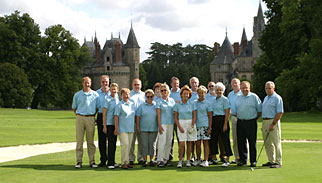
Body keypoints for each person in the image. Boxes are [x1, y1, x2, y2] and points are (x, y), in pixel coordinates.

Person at [72, 76, 100, 168]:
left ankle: (92, 161)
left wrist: (91, 115)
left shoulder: (95, 95)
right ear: (82, 83)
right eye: (85, 83)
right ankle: (79, 161)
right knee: (79, 140)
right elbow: (74, 108)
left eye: (88, 83)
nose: (87, 84)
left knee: (90, 141)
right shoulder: (77, 95)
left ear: (90, 83)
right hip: (80, 117)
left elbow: (97, 107)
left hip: (90, 118)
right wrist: (80, 115)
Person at [235, 81, 262, 167]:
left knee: (252, 142)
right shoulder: (238, 97)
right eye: (243, 88)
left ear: (249, 88)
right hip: (240, 122)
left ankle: (253, 161)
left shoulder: (254, 97)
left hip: (251, 122)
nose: (245, 89)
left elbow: (259, 110)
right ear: (241, 89)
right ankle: (243, 160)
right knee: (241, 142)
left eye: (246, 87)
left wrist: (254, 119)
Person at [209, 82, 233, 167]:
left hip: (223, 119)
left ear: (223, 91)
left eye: (221, 90)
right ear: (215, 91)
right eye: (217, 90)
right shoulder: (213, 100)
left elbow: (227, 112)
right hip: (215, 120)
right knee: (213, 139)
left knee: (225, 140)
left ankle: (227, 159)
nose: (219, 91)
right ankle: (214, 158)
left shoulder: (225, 99)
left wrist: (225, 124)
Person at [174, 85, 197, 168]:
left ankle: (188, 160)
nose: (185, 95)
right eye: (184, 93)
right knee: (182, 143)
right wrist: (179, 127)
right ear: (181, 94)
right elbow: (176, 118)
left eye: (187, 94)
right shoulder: (177, 105)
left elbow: (194, 116)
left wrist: (192, 125)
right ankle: (180, 160)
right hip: (181, 123)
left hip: (190, 123)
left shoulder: (192, 104)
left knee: (190, 143)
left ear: (189, 95)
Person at [261, 81, 283, 168]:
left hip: (273, 121)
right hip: (265, 121)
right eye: (266, 88)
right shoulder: (266, 98)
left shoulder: (277, 98)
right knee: (268, 143)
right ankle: (271, 160)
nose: (268, 90)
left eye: (269, 88)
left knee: (276, 142)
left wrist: (273, 123)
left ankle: (278, 162)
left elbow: (280, 112)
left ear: (273, 88)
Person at [114, 88, 136, 169]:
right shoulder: (119, 105)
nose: (126, 95)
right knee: (125, 145)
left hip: (131, 128)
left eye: (128, 94)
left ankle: (127, 161)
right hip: (122, 128)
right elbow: (116, 117)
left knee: (129, 145)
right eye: (125, 94)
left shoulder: (132, 104)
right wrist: (116, 128)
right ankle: (123, 162)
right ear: (121, 95)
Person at [136, 89, 158, 167]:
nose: (149, 98)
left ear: (153, 97)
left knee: (152, 145)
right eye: (148, 96)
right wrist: (138, 127)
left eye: (151, 96)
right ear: (145, 97)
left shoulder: (156, 105)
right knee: (144, 145)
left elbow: (158, 116)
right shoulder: (141, 106)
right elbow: (138, 117)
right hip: (143, 128)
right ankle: (145, 160)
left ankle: (151, 160)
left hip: (154, 128)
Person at [156, 83, 176, 167]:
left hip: (170, 123)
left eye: (165, 90)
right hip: (162, 124)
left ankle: (166, 159)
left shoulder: (172, 100)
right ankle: (160, 160)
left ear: (168, 91)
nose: (164, 92)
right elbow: (158, 115)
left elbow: (174, 112)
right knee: (162, 142)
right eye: (162, 90)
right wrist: (159, 125)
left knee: (169, 142)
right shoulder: (158, 101)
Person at [193, 85, 212, 167]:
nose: (201, 94)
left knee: (205, 143)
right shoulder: (194, 103)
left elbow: (210, 116)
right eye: (199, 93)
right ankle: (198, 159)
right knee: (197, 143)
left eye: (203, 93)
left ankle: (206, 160)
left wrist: (210, 127)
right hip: (196, 125)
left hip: (205, 125)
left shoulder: (208, 103)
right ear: (197, 93)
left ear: (205, 93)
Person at [102, 83, 120, 169]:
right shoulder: (107, 100)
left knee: (114, 144)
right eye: (112, 89)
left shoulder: (118, 99)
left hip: (115, 124)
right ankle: (110, 163)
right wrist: (104, 126)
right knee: (111, 143)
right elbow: (104, 114)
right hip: (109, 124)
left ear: (117, 90)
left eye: (115, 89)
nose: (113, 90)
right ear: (110, 90)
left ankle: (112, 161)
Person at [129, 78, 145, 165]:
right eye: (135, 84)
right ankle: (131, 158)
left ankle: (141, 158)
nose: (136, 86)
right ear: (132, 85)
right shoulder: (129, 94)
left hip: (142, 120)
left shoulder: (144, 95)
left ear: (141, 85)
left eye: (138, 84)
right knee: (131, 140)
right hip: (132, 119)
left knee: (141, 140)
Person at [96, 75, 111, 167]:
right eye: (103, 82)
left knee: (111, 140)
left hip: (111, 117)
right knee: (101, 139)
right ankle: (103, 160)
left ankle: (110, 159)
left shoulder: (114, 92)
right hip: (101, 116)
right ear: (100, 82)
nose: (105, 83)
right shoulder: (96, 93)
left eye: (106, 82)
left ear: (109, 82)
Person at [227, 78, 242, 164]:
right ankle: (237, 157)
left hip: (242, 117)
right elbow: (228, 108)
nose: (234, 84)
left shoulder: (242, 93)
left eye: (236, 83)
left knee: (243, 139)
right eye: (233, 83)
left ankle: (244, 157)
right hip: (233, 117)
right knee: (235, 138)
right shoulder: (230, 94)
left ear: (239, 84)